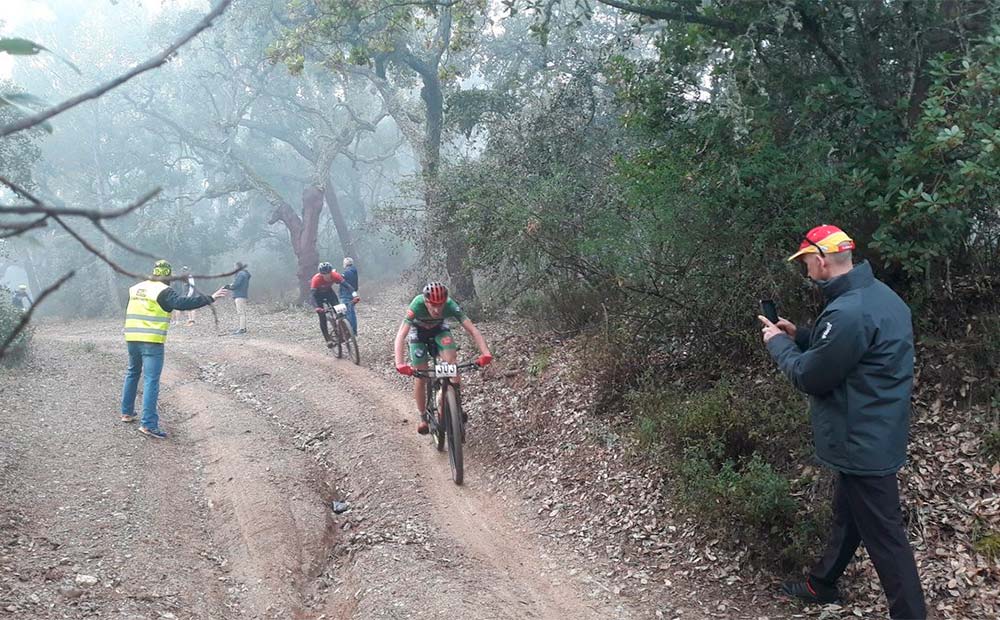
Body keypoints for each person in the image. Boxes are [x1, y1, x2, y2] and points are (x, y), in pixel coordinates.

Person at [758, 225, 926, 620]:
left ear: (820, 261)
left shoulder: (849, 311)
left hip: (862, 441)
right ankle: (823, 583)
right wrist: (800, 335)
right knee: (848, 514)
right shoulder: (879, 296)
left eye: (805, 263)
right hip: (877, 432)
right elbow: (849, 349)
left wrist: (778, 344)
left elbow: (810, 376)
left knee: (886, 539)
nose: (805, 271)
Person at [121, 259, 228, 439]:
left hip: (131, 338)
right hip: (151, 340)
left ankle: (126, 412)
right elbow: (182, 303)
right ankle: (148, 424)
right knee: (151, 380)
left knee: (132, 373)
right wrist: (211, 298)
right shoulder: (163, 290)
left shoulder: (136, 288)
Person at [393, 282, 492, 434]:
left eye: (441, 305)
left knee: (452, 364)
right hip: (418, 334)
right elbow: (401, 334)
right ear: (426, 302)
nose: (438, 309)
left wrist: (485, 353)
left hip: (440, 330)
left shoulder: (450, 305)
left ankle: (456, 406)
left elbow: (472, 329)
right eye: (433, 305)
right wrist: (399, 363)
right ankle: (423, 417)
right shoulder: (417, 304)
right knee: (420, 375)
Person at [310, 261, 359, 348]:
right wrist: (317, 307)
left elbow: (347, 285)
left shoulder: (335, 275)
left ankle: (344, 330)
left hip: (329, 293)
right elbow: (312, 296)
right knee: (322, 317)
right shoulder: (316, 279)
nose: (327, 276)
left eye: (329, 273)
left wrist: (354, 295)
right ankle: (328, 339)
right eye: (325, 274)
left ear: (331, 271)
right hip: (318, 296)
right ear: (321, 274)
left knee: (339, 311)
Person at [228, 262, 251, 335]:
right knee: (242, 312)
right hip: (243, 295)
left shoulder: (240, 274)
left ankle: (242, 329)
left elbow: (236, 285)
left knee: (241, 313)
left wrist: (228, 287)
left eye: (235, 267)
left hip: (239, 295)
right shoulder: (244, 274)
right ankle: (242, 327)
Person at [339, 257, 359, 334]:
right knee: (352, 312)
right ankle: (353, 330)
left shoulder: (347, 272)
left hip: (345, 294)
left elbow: (340, 279)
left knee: (347, 312)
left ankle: (349, 330)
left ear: (345, 264)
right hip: (352, 294)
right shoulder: (354, 270)